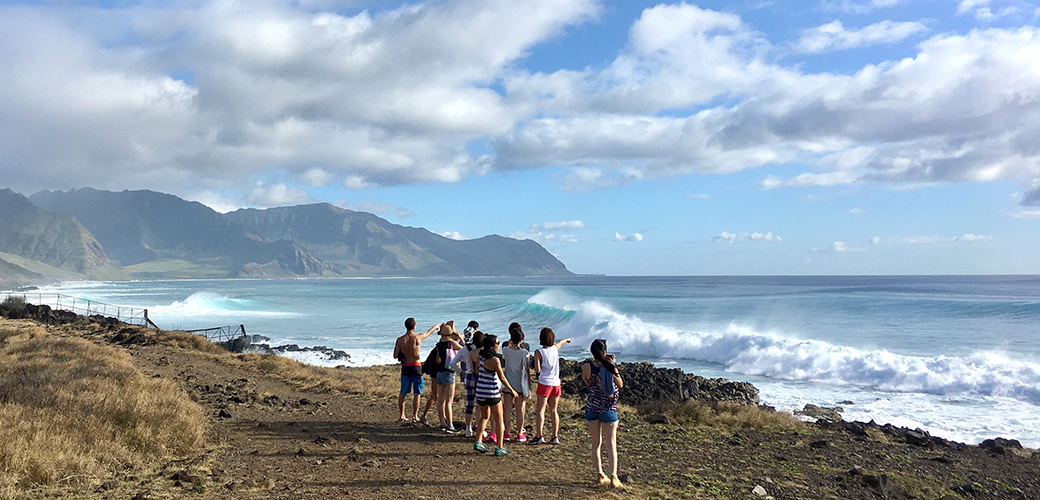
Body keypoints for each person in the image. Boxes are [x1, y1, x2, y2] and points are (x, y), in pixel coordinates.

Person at [582, 339, 624, 488]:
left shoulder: (586, 367)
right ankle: (613, 476)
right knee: (611, 444)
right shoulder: (609, 367)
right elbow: (620, 384)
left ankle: (600, 474)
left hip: (592, 408)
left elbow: (588, 383)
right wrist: (613, 367)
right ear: (604, 352)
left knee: (596, 443)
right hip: (608, 409)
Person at [472, 334, 518, 457]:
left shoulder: (480, 355)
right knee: (499, 420)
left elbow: (476, 370)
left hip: (480, 391)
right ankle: (500, 447)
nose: (498, 345)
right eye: (497, 343)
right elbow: (502, 377)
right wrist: (511, 390)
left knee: (484, 416)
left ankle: (478, 441)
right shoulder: (494, 360)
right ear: (492, 346)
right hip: (492, 392)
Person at [529, 327, 571, 445]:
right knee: (554, 410)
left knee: (541, 411)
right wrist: (566, 340)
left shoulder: (538, 352)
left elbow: (537, 369)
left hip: (544, 383)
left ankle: (539, 436)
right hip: (556, 383)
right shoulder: (554, 349)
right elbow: (560, 343)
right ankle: (554, 436)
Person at [393, 318, 440, 422]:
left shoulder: (400, 340)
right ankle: (415, 416)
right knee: (417, 393)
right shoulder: (417, 337)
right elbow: (428, 333)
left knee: (403, 392)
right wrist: (436, 326)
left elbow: (395, 355)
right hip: (416, 366)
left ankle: (402, 415)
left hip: (406, 366)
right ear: (414, 327)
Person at [450, 328, 484, 437]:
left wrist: (461, 372)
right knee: (479, 404)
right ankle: (479, 428)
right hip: (479, 376)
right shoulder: (481, 350)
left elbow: (453, 363)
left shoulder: (465, 348)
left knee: (469, 404)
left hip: (468, 376)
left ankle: (468, 429)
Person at [501, 322, 531, 442]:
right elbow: (527, 368)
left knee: (507, 409)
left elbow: (504, 356)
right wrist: (529, 383)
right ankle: (519, 433)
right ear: (522, 339)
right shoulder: (524, 352)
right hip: (520, 384)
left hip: (508, 384)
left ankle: (507, 433)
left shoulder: (505, 350)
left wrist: (510, 343)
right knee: (520, 410)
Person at [434, 321, 463, 433]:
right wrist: (460, 337)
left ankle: (442, 423)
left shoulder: (439, 343)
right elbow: (463, 349)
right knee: (449, 401)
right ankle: (450, 425)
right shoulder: (451, 343)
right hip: (449, 372)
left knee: (441, 400)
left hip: (439, 373)